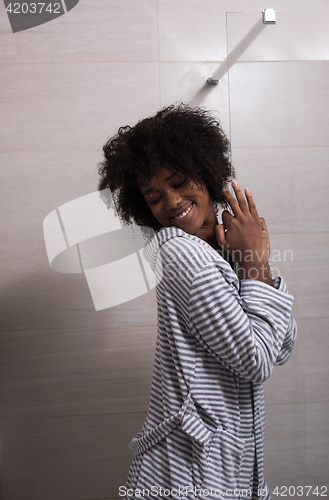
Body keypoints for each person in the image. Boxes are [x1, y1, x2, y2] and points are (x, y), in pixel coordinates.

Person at [98, 104, 297, 500]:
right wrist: (255, 261)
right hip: (186, 474)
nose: (170, 203)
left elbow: (282, 346)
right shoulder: (178, 251)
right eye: (154, 196)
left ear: (206, 174)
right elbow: (256, 360)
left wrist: (253, 258)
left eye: (178, 181)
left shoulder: (222, 251)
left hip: (228, 469)